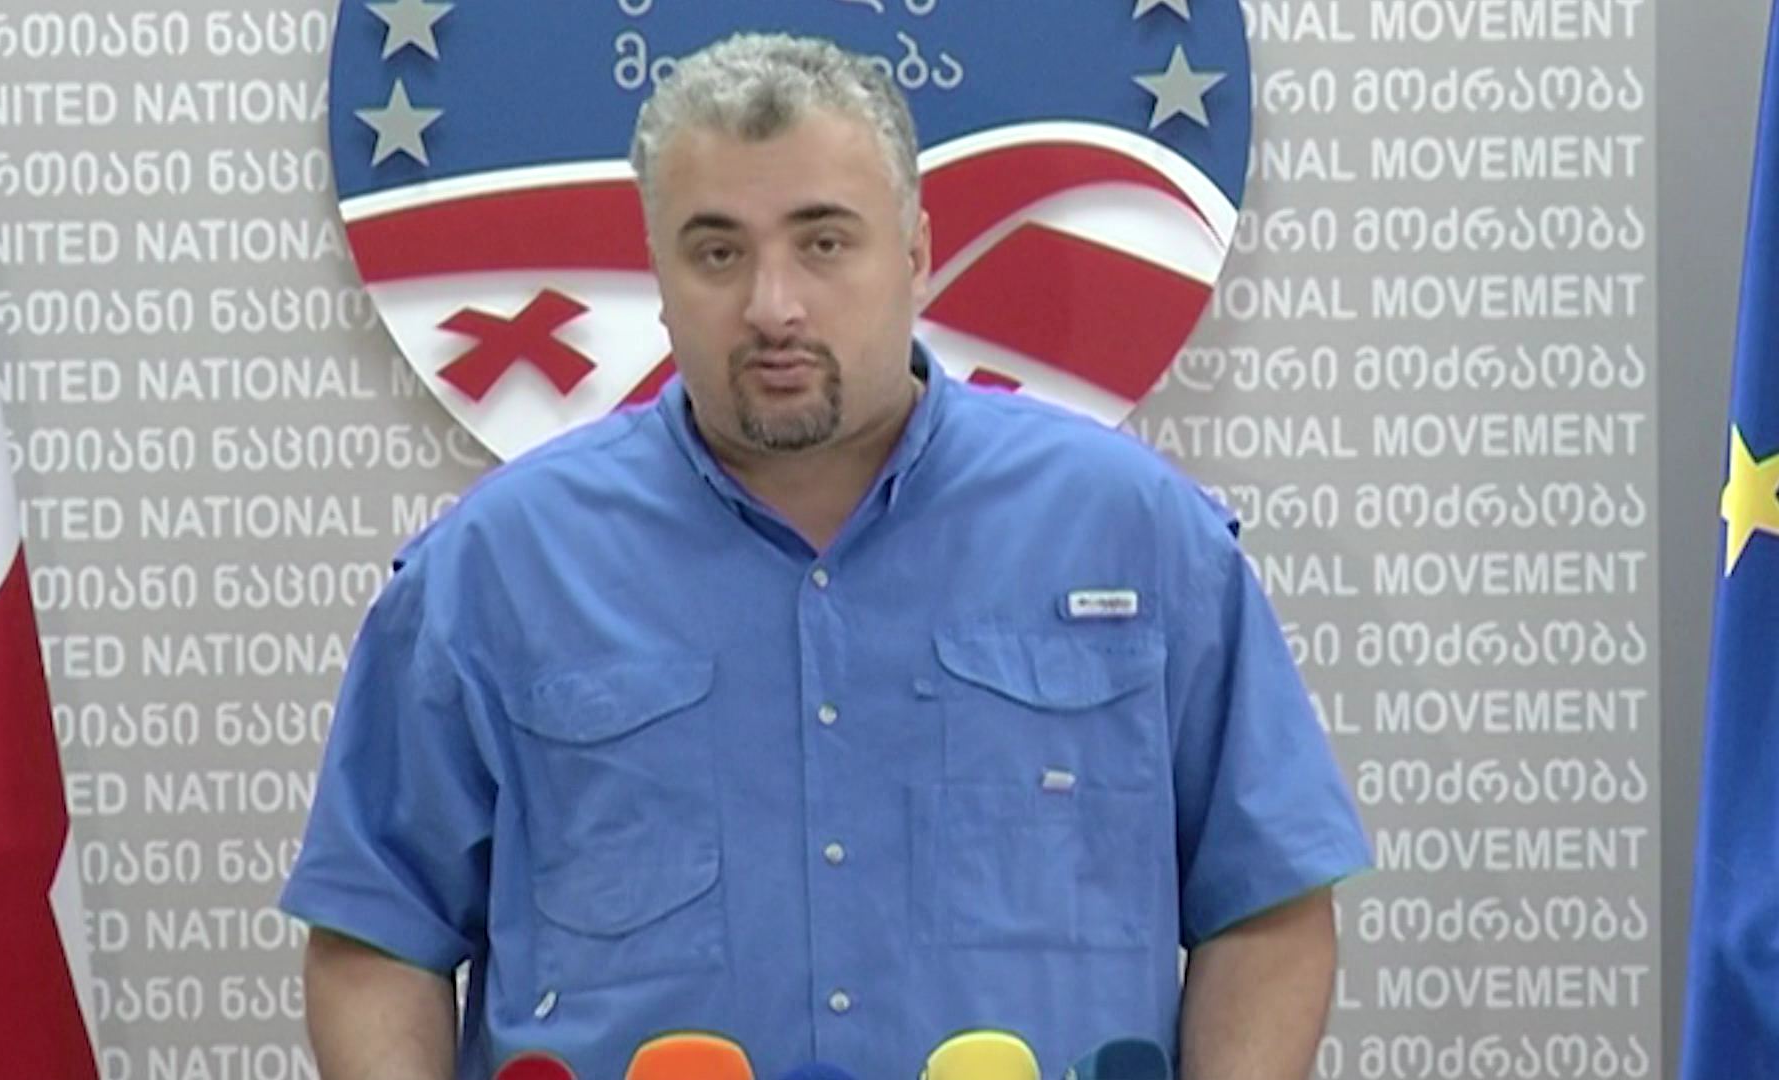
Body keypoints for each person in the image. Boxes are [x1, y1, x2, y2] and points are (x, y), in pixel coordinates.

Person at [280, 31, 1371, 1080]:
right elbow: (378, 933)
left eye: (824, 242)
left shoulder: (1136, 533)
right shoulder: (497, 568)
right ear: (656, 273)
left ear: (918, 252)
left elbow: (1265, 907)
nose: (774, 307)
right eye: (717, 252)